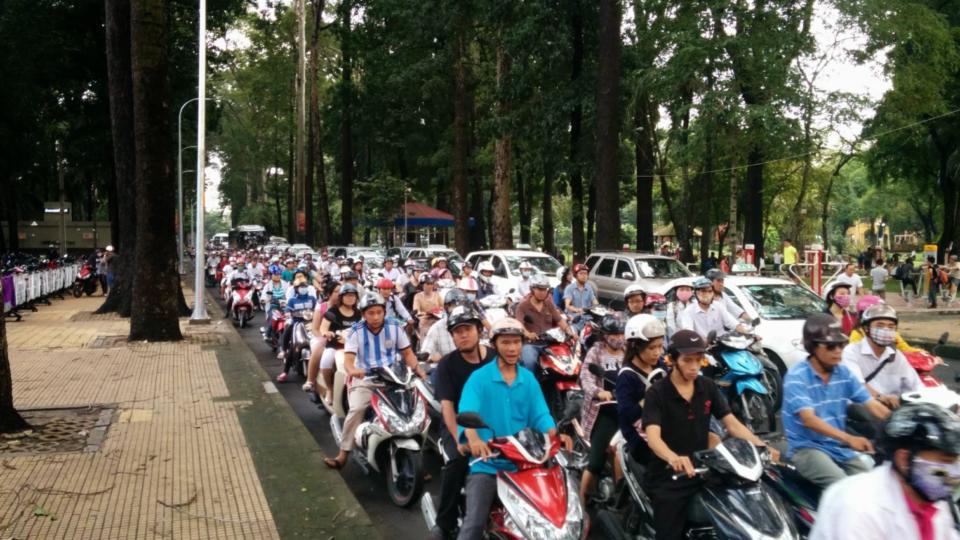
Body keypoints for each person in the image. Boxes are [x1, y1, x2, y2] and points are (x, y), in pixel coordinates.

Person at [642, 329, 777, 540]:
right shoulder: (657, 393)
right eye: (687, 360)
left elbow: (731, 424)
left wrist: (762, 445)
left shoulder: (707, 386)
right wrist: (673, 458)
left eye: (699, 359)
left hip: (706, 468)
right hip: (670, 475)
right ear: (671, 360)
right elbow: (653, 437)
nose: (694, 366)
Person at [455, 318, 569, 540]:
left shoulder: (528, 379)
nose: (512, 348)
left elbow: (540, 414)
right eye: (506, 342)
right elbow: (467, 409)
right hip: (489, 464)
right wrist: (474, 439)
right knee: (474, 526)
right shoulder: (479, 379)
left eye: (516, 342)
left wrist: (555, 434)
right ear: (495, 345)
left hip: (525, 462)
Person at [811, 402, 960, 540]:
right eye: (946, 461)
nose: (955, 470)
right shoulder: (859, 507)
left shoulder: (933, 502)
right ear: (904, 459)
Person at [783, 313, 890, 488]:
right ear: (813, 347)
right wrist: (849, 438)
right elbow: (809, 420)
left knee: (874, 487)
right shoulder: (797, 376)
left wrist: (902, 425)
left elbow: (873, 405)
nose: (838, 350)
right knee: (844, 489)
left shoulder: (844, 373)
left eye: (841, 344)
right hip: (808, 448)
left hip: (838, 447)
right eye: (831, 346)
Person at [324, 292, 427, 469]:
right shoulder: (356, 331)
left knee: (416, 407)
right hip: (366, 378)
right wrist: (354, 371)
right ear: (363, 314)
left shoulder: (395, 327)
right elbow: (349, 360)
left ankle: (419, 460)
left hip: (394, 377)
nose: (376, 316)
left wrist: (418, 370)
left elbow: (407, 353)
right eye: (371, 313)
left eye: (379, 312)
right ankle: (343, 454)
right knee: (357, 409)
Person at [429, 307, 495, 540]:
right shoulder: (447, 364)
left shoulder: (494, 357)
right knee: (457, 461)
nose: (462, 335)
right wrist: (459, 439)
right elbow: (447, 407)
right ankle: (444, 522)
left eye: (467, 329)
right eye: (457, 331)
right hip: (457, 424)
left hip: (494, 423)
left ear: (479, 330)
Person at [579, 313, 626, 503]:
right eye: (614, 333)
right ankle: (582, 499)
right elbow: (586, 376)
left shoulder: (629, 350)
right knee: (596, 461)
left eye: (622, 333)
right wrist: (599, 392)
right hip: (604, 410)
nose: (619, 337)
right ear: (605, 335)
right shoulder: (596, 351)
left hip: (628, 408)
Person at [841, 304, 922, 409]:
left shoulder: (896, 356)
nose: (886, 330)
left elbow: (916, 386)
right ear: (866, 328)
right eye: (879, 325)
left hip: (893, 412)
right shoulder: (851, 352)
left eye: (891, 326)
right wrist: (881, 397)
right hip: (861, 414)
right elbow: (857, 387)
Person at [615, 314, 668, 465]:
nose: (657, 352)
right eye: (652, 348)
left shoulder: (660, 365)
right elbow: (627, 415)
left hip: (664, 425)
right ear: (635, 346)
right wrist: (649, 397)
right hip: (640, 439)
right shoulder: (626, 377)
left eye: (660, 346)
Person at [304, 283, 360, 403]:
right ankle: (330, 388)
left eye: (353, 295)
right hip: (335, 345)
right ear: (341, 297)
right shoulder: (333, 312)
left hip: (355, 346)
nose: (350, 298)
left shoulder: (359, 313)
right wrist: (326, 333)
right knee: (326, 361)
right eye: (347, 295)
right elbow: (323, 328)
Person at [515, 274, 575, 372]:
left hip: (550, 342)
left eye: (544, 289)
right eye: (539, 289)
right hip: (531, 344)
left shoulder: (548, 304)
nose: (542, 292)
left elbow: (559, 320)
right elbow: (519, 324)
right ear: (532, 289)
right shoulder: (522, 306)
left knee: (567, 363)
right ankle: (531, 384)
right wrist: (528, 334)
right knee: (530, 362)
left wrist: (569, 331)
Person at [277, 276, 320, 382]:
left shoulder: (312, 299)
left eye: (304, 286)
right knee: (292, 346)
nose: (303, 288)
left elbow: (317, 309)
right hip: (297, 323)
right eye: (300, 286)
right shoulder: (292, 300)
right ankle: (285, 371)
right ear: (296, 288)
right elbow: (288, 309)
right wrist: (287, 312)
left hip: (311, 323)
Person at [677, 277, 748, 339]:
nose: (707, 294)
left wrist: (749, 334)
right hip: (703, 347)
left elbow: (733, 323)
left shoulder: (718, 306)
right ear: (696, 293)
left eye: (710, 291)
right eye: (703, 291)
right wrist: (702, 340)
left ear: (713, 293)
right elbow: (689, 331)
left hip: (723, 344)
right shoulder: (689, 311)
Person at [421, 289, 468, 364]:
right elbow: (425, 352)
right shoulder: (437, 328)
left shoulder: (471, 325)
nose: (459, 309)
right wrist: (432, 357)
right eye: (455, 305)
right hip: (447, 369)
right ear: (447, 307)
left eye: (462, 305)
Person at [563, 263, 598, 333]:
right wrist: (578, 310)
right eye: (581, 273)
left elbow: (595, 302)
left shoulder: (589, 288)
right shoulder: (570, 288)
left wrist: (601, 309)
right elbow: (568, 305)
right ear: (576, 275)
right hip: (574, 319)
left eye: (585, 274)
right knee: (573, 335)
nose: (584, 276)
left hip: (587, 319)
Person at [413, 275, 443, 341]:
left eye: (431, 284)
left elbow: (443, 307)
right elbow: (416, 311)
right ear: (422, 285)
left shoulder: (437, 295)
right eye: (427, 284)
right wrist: (426, 313)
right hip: (424, 319)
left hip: (437, 319)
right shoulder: (417, 296)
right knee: (423, 324)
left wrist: (438, 311)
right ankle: (424, 347)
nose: (429, 286)